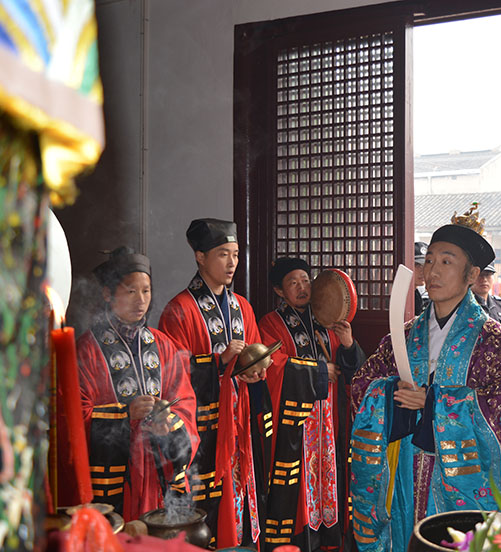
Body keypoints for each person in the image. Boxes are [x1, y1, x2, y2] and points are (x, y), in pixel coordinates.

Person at [349, 206, 501, 551]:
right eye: (430, 261)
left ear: (472, 274)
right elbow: (362, 386)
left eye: (446, 262)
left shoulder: (495, 343)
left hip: (460, 485)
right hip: (404, 471)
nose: (432, 271)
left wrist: (435, 403)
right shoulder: (404, 336)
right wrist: (389, 394)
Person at [158, 218, 267, 549]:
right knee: (205, 506)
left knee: (240, 499)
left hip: (238, 422)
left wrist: (255, 371)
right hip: (202, 429)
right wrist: (218, 363)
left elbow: (256, 358)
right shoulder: (179, 310)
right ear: (200, 257)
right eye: (223, 254)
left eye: (235, 254)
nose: (232, 263)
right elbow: (171, 375)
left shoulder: (242, 307)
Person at [77, 247, 199, 521]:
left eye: (146, 291)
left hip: (158, 475)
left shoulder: (163, 344)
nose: (141, 300)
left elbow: (185, 403)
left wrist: (169, 423)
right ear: (108, 294)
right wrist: (125, 415)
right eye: (131, 291)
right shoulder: (87, 350)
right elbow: (73, 417)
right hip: (112, 478)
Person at [258, 257, 366, 552]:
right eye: (293, 283)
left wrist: (348, 344)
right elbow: (272, 366)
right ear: (279, 291)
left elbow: (353, 372)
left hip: (330, 420)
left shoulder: (326, 320)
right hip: (297, 424)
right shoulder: (271, 324)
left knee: (330, 476)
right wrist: (318, 371)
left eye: (305, 280)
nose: (302, 287)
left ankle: (330, 538)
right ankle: (301, 541)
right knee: (299, 484)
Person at [471, 261, 501, 336]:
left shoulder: (500, 305)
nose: (484, 279)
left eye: (488, 275)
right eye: (480, 275)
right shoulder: (464, 305)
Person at [413, 241, 429, 316]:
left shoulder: (417, 294)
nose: (422, 271)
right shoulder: (402, 295)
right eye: (417, 265)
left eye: (425, 266)